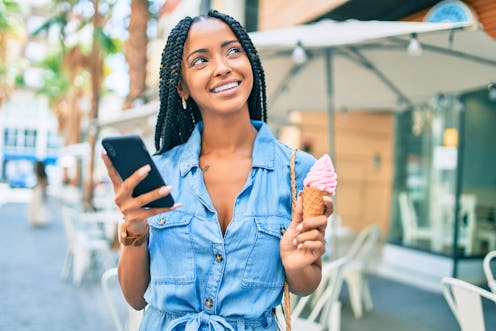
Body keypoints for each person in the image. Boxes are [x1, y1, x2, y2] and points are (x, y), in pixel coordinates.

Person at [102, 10, 333, 330]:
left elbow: (306, 284)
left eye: (233, 51)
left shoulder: (297, 170)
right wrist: (134, 229)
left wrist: (296, 264)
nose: (223, 67)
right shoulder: (160, 175)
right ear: (181, 87)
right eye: (200, 60)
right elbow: (136, 297)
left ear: (250, 62)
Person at [28, 160, 49, 227]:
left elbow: (38, 182)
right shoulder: (45, 174)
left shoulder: (37, 172)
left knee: (36, 206)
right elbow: (46, 183)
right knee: (42, 206)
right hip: (43, 190)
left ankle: (36, 219)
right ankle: (41, 219)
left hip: (38, 190)